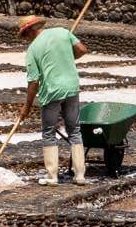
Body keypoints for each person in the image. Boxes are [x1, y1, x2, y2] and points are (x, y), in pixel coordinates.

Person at [18, 14, 89, 185]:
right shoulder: (62, 32)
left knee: (49, 132)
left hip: (52, 92)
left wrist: (27, 107)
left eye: (25, 35)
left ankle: (52, 176)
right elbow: (82, 50)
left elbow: (33, 82)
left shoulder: (33, 50)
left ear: (28, 32)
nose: (26, 39)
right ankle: (80, 175)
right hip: (72, 87)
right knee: (74, 130)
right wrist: (67, 58)